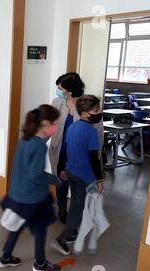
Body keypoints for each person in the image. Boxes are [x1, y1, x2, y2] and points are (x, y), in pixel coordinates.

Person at [0, 105, 62, 271]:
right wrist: (55, 180)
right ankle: (40, 263)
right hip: (32, 198)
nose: (57, 127)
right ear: (46, 124)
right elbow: (36, 175)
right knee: (41, 228)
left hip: (17, 194)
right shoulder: (39, 146)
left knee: (16, 226)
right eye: (55, 123)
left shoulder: (25, 139)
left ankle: (5, 257)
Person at [52, 95, 104, 256]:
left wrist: (62, 169)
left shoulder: (73, 127)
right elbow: (94, 159)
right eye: (96, 110)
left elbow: (65, 151)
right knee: (78, 208)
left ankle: (72, 231)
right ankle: (61, 239)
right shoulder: (90, 131)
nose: (99, 112)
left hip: (71, 172)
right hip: (84, 177)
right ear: (85, 113)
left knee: (75, 201)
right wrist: (99, 179)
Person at [49, 73, 85, 225]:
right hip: (59, 150)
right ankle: (62, 208)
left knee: (77, 186)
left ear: (70, 91)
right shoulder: (57, 102)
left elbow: (97, 132)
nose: (57, 90)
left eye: (60, 88)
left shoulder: (87, 105)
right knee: (61, 183)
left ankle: (76, 214)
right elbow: (48, 125)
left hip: (78, 154)